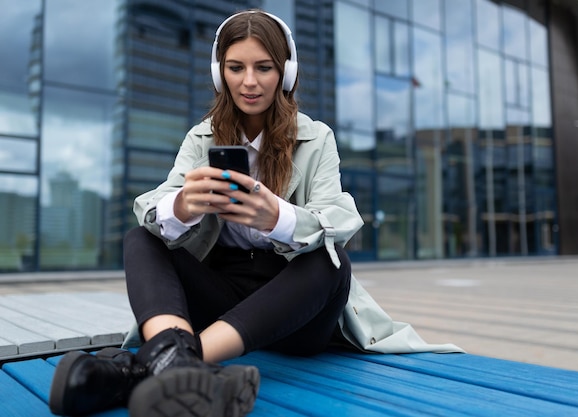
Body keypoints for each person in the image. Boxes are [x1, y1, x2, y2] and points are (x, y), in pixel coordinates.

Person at [49, 9, 363, 417]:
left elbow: (338, 216)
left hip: (294, 311)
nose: (249, 82)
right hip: (221, 296)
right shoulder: (202, 137)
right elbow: (153, 205)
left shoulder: (317, 138)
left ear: (285, 74)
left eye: (264, 68)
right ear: (220, 74)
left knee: (330, 261)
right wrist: (180, 207)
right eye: (236, 68)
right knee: (141, 238)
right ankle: (176, 364)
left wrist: (279, 218)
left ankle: (155, 364)